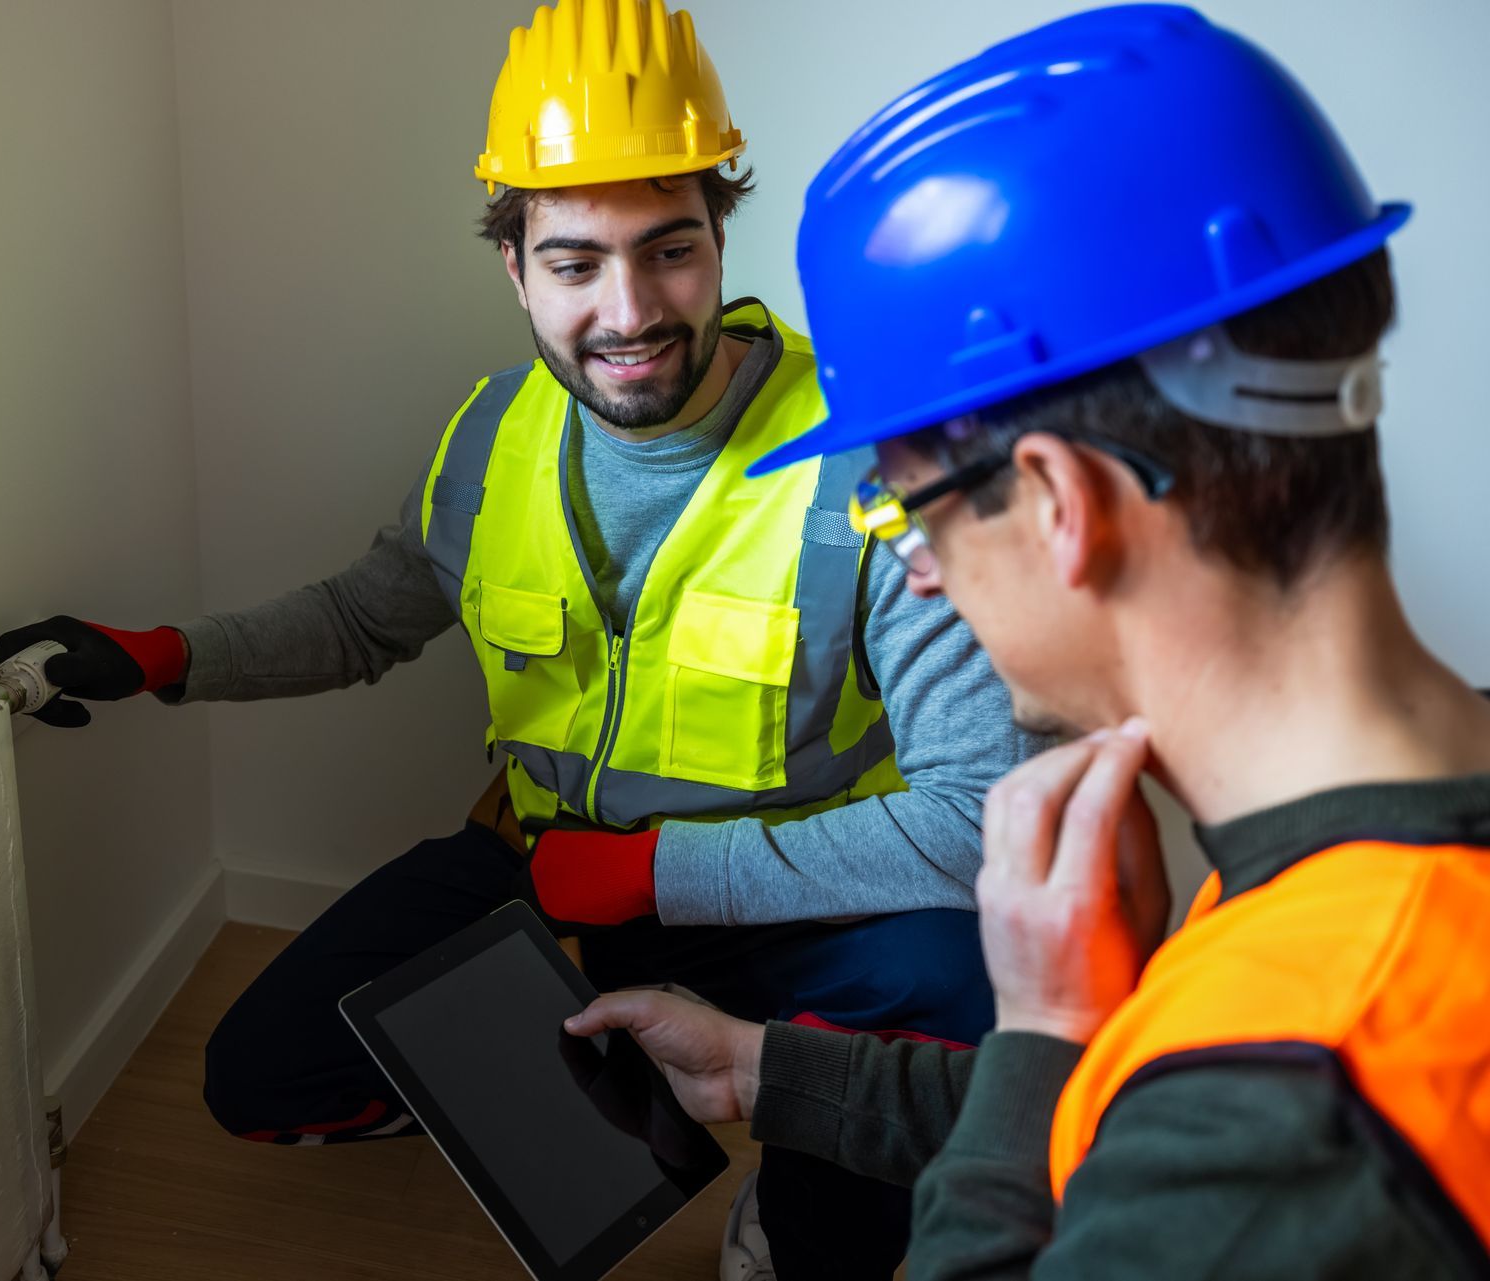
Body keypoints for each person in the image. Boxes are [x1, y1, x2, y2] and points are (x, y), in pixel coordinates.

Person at [0, 2, 1035, 1276]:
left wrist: (653, 878)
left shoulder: (867, 455)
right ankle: (609, 1102)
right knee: (263, 1075)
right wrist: (164, 656)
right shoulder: (495, 436)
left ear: (720, 238)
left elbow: (975, 815)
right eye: (578, 262)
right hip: (544, 874)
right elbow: (367, 616)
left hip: (796, 895)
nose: (631, 309)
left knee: (957, 1001)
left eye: (671, 250)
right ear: (516, 267)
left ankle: (806, 1202)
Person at [567, 5, 1490, 1276]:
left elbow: (1202, 1149)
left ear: (1062, 504)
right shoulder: (1368, 862)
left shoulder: (1315, 1083)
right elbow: (1144, 1127)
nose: (924, 577)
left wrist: (1047, 1022)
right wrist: (762, 1068)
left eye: (902, 507)